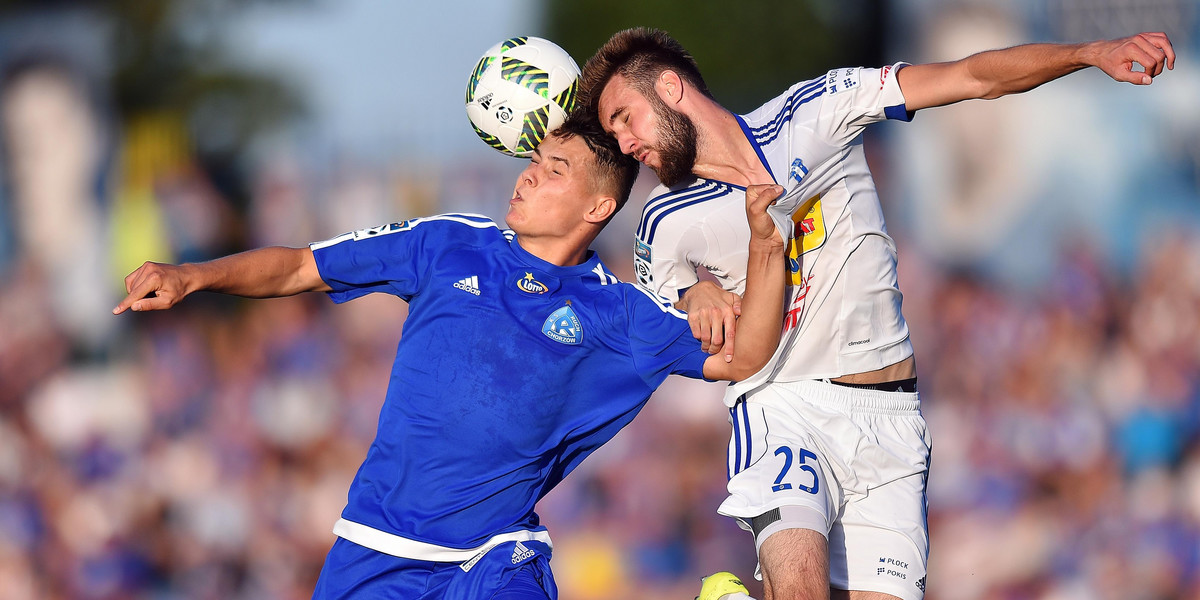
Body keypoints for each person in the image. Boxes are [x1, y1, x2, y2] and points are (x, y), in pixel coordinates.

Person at [580, 27, 1175, 600]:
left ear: (670, 88)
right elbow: (663, 321)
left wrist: (1091, 51)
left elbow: (970, 76)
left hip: (890, 418)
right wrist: (692, 295)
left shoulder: (817, 109)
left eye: (624, 118)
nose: (627, 144)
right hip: (784, 410)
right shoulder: (664, 221)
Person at [113, 115, 787, 600]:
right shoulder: (446, 243)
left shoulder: (619, 314)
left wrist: (762, 242)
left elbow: (745, 354)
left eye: (555, 171)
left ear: (599, 205)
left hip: (495, 557)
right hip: (375, 547)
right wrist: (192, 276)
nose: (527, 178)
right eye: (533, 163)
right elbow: (297, 268)